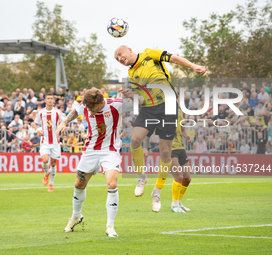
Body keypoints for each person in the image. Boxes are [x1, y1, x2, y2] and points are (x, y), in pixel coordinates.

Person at [114, 45, 206, 212]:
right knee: (134, 140)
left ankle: (156, 193)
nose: (120, 59)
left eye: (120, 55)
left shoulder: (149, 54)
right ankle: (141, 177)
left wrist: (193, 66)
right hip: (149, 109)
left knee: (165, 153)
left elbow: (175, 59)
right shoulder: (131, 74)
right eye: (117, 59)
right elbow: (140, 99)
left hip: (168, 107)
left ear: (129, 49)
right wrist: (130, 94)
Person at [56, 88, 132, 237]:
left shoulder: (116, 105)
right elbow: (75, 112)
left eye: (92, 108)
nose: (88, 111)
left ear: (101, 102)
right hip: (90, 150)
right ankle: (76, 217)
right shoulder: (86, 104)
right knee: (79, 184)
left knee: (112, 184)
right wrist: (63, 123)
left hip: (110, 150)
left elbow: (143, 103)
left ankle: (110, 226)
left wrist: (133, 94)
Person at [33, 93, 65, 192]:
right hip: (45, 141)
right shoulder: (41, 112)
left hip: (55, 142)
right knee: (45, 160)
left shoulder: (58, 112)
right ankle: (46, 173)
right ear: (45, 100)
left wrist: (61, 129)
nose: (50, 100)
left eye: (51, 98)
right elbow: (34, 123)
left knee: (53, 163)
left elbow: (64, 122)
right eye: (48, 98)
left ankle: (51, 184)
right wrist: (38, 129)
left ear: (54, 100)